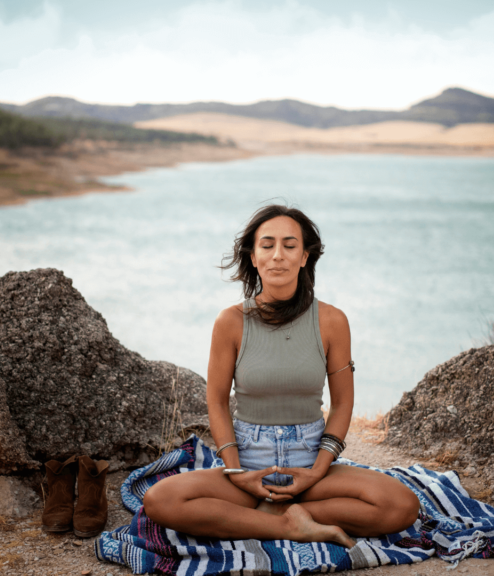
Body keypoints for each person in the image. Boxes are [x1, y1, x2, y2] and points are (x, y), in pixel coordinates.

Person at [143, 204, 420, 547]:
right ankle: (286, 526)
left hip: (310, 467)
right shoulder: (230, 322)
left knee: (402, 505)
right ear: (254, 256)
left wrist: (318, 469)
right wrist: (236, 473)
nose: (278, 256)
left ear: (304, 257)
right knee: (160, 500)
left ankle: (275, 515)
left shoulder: (332, 321)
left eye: (289, 246)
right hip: (248, 465)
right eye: (267, 245)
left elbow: (343, 402)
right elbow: (215, 401)